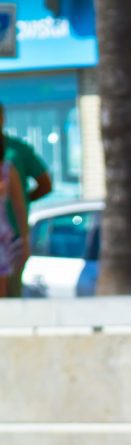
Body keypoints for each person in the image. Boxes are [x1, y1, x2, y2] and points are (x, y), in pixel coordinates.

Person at [0, 103, 52, 297]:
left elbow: (45, 184)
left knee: (9, 293)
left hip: (9, 236)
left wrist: (19, 200)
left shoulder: (16, 152)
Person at [0, 132, 29, 299]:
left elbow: (20, 206)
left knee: (3, 288)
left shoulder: (7, 170)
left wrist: (25, 240)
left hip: (3, 236)